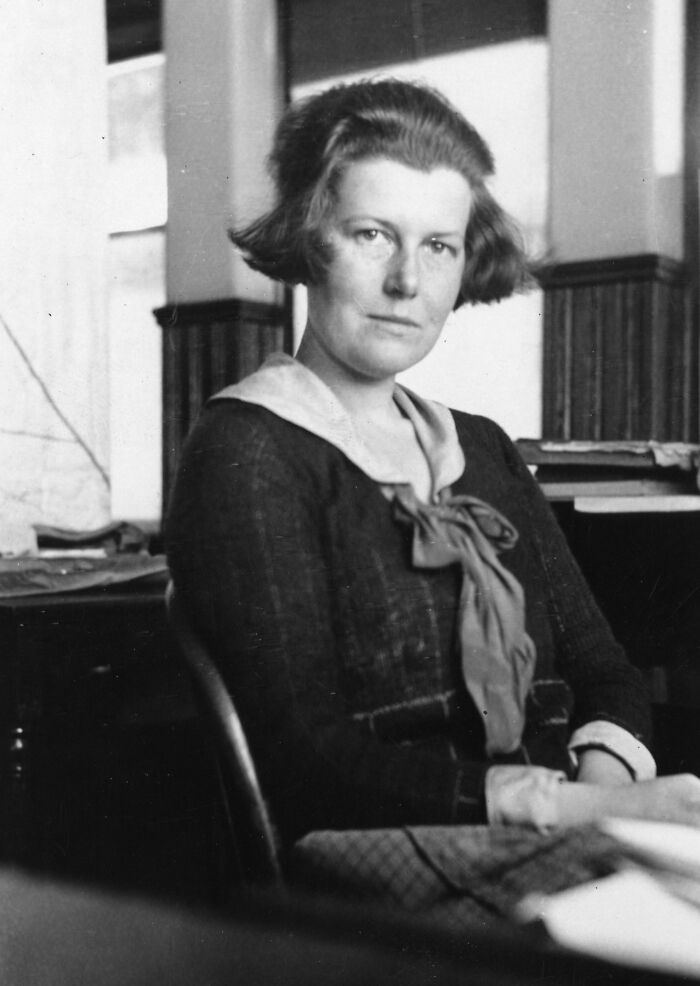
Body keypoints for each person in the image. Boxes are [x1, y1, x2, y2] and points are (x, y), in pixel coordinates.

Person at [166, 78, 700, 844]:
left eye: (438, 246)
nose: (407, 282)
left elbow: (606, 674)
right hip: (381, 866)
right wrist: (566, 811)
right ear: (311, 241)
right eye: (373, 235)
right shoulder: (249, 450)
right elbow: (305, 759)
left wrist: (604, 803)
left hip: (561, 829)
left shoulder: (481, 448)